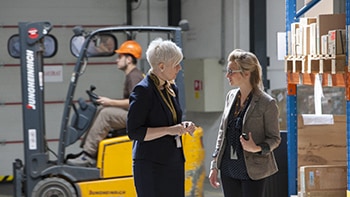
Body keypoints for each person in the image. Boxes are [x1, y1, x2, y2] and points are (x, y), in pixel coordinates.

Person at [127, 38, 196, 197]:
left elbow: (171, 122)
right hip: (151, 164)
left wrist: (183, 126)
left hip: (173, 161)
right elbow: (135, 132)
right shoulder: (143, 91)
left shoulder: (171, 88)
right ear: (162, 66)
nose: (179, 68)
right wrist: (169, 130)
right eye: (176, 64)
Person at [208, 49, 281, 197]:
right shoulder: (231, 96)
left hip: (253, 170)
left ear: (246, 73)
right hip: (228, 167)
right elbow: (222, 132)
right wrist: (214, 165)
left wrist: (257, 148)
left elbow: (275, 139)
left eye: (231, 71)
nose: (227, 75)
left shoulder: (267, 103)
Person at [67, 40, 145, 167]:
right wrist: (107, 102)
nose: (117, 60)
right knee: (103, 110)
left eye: (120, 57)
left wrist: (110, 102)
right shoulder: (133, 75)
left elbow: (136, 103)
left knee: (106, 114)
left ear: (129, 59)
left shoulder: (134, 76)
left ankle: (89, 155)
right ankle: (88, 151)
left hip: (140, 119)